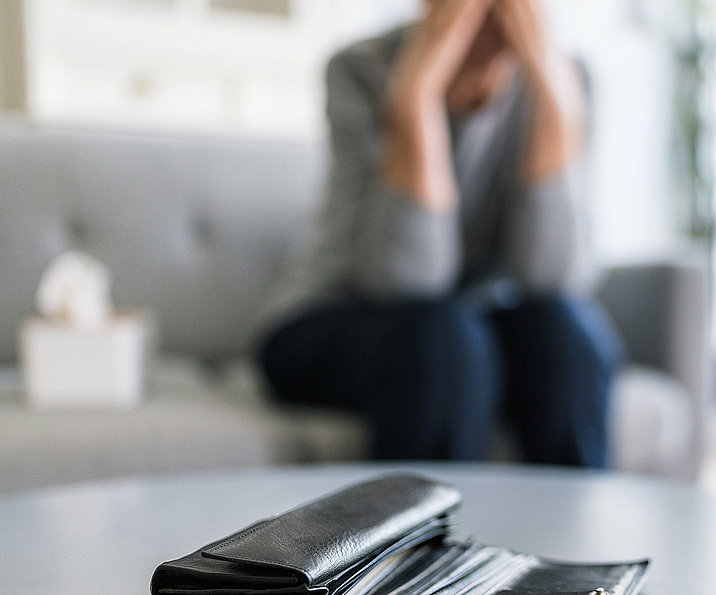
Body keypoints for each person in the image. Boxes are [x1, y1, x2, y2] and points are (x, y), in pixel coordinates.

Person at [255, 0, 621, 467]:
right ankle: (423, 541)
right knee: (445, 340)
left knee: (566, 334)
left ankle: (569, 538)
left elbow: (553, 277)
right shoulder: (361, 68)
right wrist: (416, 93)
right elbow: (405, 280)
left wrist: (554, 95)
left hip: (470, 332)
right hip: (331, 318)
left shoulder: (568, 79)